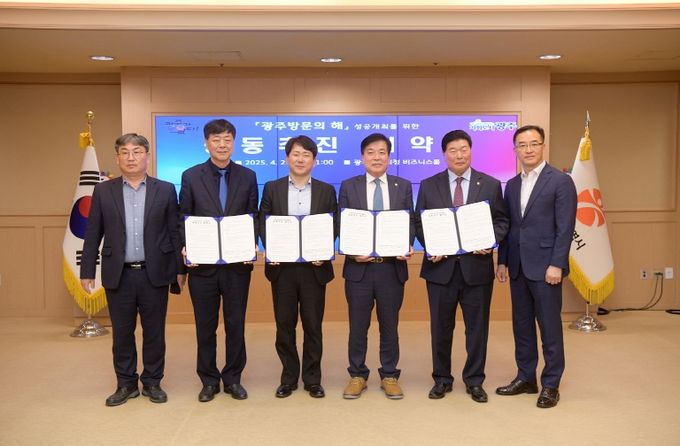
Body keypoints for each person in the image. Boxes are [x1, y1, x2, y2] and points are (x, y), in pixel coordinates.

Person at [80, 133, 185, 406]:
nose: (131, 157)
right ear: (117, 158)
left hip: (155, 273)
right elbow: (93, 233)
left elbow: (174, 232)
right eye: (125, 152)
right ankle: (126, 384)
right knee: (122, 333)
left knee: (154, 333)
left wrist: (180, 269)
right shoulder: (104, 191)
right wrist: (87, 270)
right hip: (119, 274)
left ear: (147, 156)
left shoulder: (165, 189)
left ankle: (152, 382)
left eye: (137, 152)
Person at [415, 130, 509, 403]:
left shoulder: (490, 184)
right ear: (444, 154)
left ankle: (474, 380)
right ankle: (441, 379)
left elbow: (502, 220)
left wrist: (490, 241)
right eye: (453, 150)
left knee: (477, 329)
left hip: (476, 269)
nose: (459, 155)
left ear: (471, 150)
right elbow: (420, 222)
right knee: (440, 329)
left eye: (464, 149)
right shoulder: (428, 185)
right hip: (440, 270)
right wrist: (431, 245)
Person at [496, 124, 577, 409]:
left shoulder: (561, 181)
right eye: (522, 145)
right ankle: (526, 377)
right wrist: (502, 260)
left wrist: (557, 264)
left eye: (533, 143)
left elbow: (565, 228)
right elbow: (509, 226)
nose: (528, 149)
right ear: (515, 149)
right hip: (518, 266)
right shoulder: (512, 184)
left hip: (546, 268)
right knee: (522, 326)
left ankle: (551, 384)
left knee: (549, 327)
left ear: (543, 145)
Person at [179, 118, 258, 402]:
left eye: (227, 139)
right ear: (206, 143)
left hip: (237, 266)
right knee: (205, 326)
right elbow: (183, 216)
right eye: (216, 139)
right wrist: (186, 248)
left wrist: (252, 242)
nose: (222, 145)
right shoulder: (191, 176)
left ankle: (233, 378)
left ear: (234, 143)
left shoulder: (248, 176)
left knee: (236, 324)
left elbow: (253, 216)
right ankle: (209, 380)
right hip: (203, 266)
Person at [259, 135, 337, 399]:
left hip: (314, 268)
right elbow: (263, 222)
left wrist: (324, 249)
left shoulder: (326, 190)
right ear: (287, 158)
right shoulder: (272, 188)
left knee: (313, 326)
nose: (300, 159)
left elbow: (334, 224)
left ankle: (313, 379)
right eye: (295, 154)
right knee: (285, 325)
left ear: (314, 160)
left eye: (306, 155)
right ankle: (289, 378)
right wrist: (272, 248)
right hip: (283, 268)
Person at [338, 133, 415, 400]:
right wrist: (350, 251)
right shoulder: (349, 186)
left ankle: (390, 375)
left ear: (389, 157)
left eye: (382, 152)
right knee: (357, 326)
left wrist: (407, 243)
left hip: (391, 269)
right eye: (370, 152)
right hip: (359, 270)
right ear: (362, 157)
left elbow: (410, 221)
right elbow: (342, 223)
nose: (376, 157)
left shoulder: (402, 186)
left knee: (389, 326)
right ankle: (357, 375)